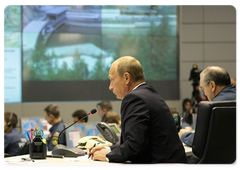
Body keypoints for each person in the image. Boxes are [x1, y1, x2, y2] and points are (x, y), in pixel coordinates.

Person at [88, 56, 187, 164]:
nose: (110, 87)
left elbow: (135, 146)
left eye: (112, 80)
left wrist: (107, 156)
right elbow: (141, 142)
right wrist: (108, 149)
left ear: (126, 78)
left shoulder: (135, 99)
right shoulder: (149, 94)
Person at [179, 66, 237, 147]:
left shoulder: (211, 108)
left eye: (203, 89)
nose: (204, 94)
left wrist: (184, 135)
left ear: (212, 85)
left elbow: (199, 141)